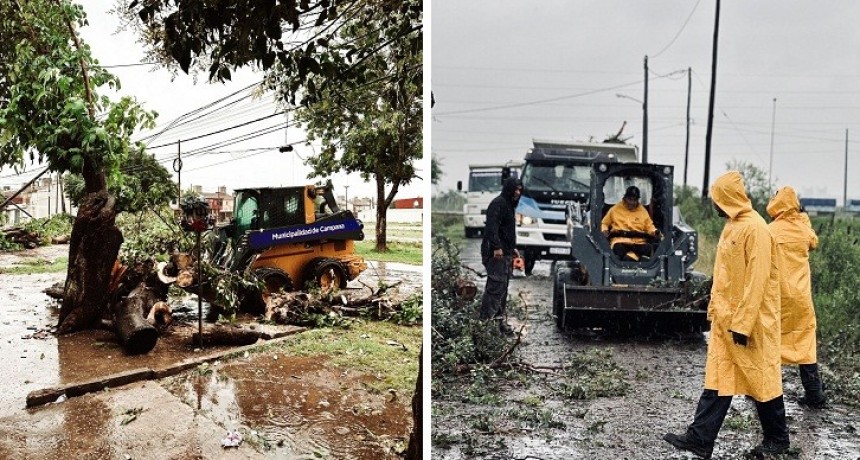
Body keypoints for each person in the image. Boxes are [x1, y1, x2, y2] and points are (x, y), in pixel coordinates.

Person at [664, 171, 789, 458]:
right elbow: (725, 276)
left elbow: (756, 282)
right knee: (719, 378)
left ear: (729, 199)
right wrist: (714, 311)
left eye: (718, 200)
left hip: (750, 323)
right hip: (726, 320)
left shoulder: (756, 229)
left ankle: (778, 439)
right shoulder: (733, 225)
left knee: (761, 379)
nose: (715, 206)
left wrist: (743, 325)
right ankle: (700, 438)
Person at [767, 186, 827, 408]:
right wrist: (803, 219)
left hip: (777, 297)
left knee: (770, 344)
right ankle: (814, 394)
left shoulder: (770, 230)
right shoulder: (803, 231)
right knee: (805, 343)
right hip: (801, 298)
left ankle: (765, 394)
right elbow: (814, 242)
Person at [479, 176, 523, 334]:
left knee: (502, 289)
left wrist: (512, 249)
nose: (517, 192)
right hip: (495, 253)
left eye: (520, 190)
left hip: (505, 253)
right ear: (509, 189)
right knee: (495, 289)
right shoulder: (498, 204)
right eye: (515, 189)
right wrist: (497, 247)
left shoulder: (509, 205)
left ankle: (499, 324)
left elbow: (507, 232)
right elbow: (492, 227)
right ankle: (483, 326)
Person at [600, 185, 660, 261]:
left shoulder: (643, 211)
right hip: (621, 241)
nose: (632, 202)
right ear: (625, 198)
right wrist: (604, 230)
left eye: (635, 200)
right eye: (630, 199)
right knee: (618, 249)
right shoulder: (615, 209)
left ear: (638, 200)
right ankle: (633, 258)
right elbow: (604, 223)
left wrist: (655, 232)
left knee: (648, 248)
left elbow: (649, 226)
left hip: (639, 243)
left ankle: (631, 258)